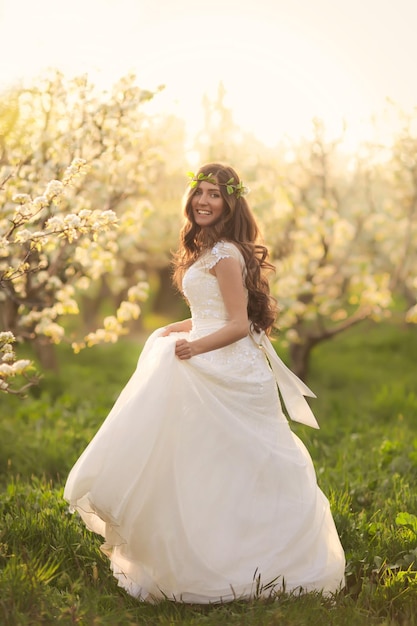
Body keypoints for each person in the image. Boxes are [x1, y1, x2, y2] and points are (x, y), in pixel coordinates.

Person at [64, 162, 345, 603]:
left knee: (240, 465)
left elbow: (237, 323)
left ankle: (262, 561)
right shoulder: (207, 251)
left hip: (231, 368)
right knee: (203, 463)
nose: (204, 202)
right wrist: (176, 330)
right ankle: (195, 551)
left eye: (214, 195)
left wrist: (196, 348)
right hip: (214, 354)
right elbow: (208, 314)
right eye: (199, 193)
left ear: (230, 203)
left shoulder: (227, 254)